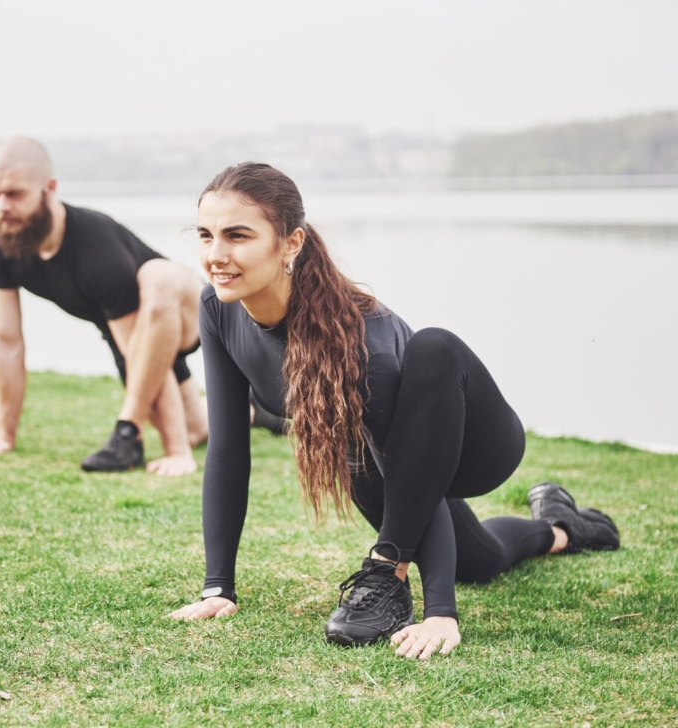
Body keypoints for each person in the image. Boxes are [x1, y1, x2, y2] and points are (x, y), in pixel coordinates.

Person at [170, 162, 620, 659]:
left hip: (477, 445)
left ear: (290, 243)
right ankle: (561, 527)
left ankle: (410, 575)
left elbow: (416, 474)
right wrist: (218, 587)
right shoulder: (217, 308)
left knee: (434, 346)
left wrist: (440, 613)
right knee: (479, 562)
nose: (216, 255)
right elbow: (228, 450)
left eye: (237, 236)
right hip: (380, 456)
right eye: (206, 235)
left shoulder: (362, 343)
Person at [0, 136, 207, 476]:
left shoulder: (96, 249)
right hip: (125, 328)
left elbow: (141, 352)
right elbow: (5, 341)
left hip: (185, 312)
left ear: (50, 188)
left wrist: (176, 452)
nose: (1, 206)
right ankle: (256, 411)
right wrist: (3, 436)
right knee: (197, 428)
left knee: (157, 278)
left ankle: (130, 434)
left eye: (14, 194)